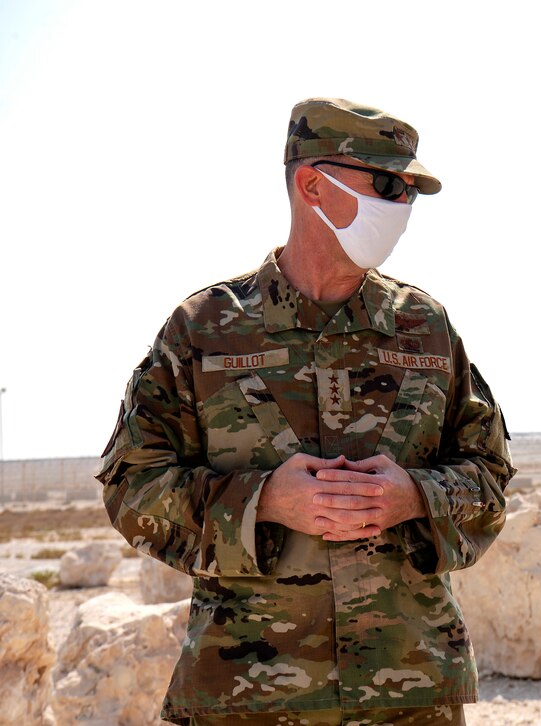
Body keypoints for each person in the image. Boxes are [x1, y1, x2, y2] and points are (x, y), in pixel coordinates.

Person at [97, 98, 515, 726]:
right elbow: (131, 486)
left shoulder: (425, 327)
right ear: (312, 183)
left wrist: (414, 497)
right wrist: (262, 503)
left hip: (409, 694)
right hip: (248, 696)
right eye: (384, 184)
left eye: (410, 191)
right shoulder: (205, 330)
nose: (401, 206)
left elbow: (489, 476)